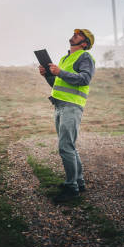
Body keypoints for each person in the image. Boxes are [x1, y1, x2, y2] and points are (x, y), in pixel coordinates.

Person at [39, 29, 95, 203]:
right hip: (59, 104)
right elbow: (58, 83)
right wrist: (48, 74)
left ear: (85, 43)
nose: (75, 35)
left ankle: (72, 189)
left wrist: (59, 72)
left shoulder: (85, 57)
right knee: (69, 146)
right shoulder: (65, 59)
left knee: (65, 147)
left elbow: (85, 79)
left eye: (79, 35)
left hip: (71, 106)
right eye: (75, 33)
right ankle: (79, 182)